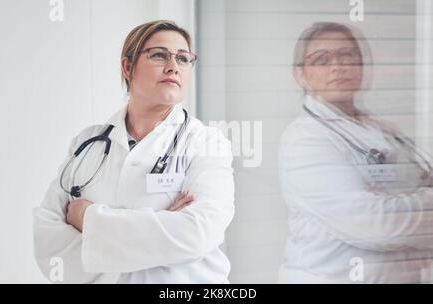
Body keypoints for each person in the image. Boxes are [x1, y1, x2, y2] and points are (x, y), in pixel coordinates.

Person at [33, 20, 235, 284]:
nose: (173, 66)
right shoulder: (86, 143)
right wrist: (160, 228)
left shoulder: (207, 142)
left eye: (183, 59)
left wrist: (87, 219)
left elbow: (197, 235)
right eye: (159, 55)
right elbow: (48, 243)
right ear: (128, 67)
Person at [278, 22, 433, 283]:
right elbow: (378, 225)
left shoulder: (383, 130)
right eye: (322, 60)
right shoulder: (304, 140)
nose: (338, 66)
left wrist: (399, 204)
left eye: (348, 55)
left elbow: (422, 183)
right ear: (300, 75)